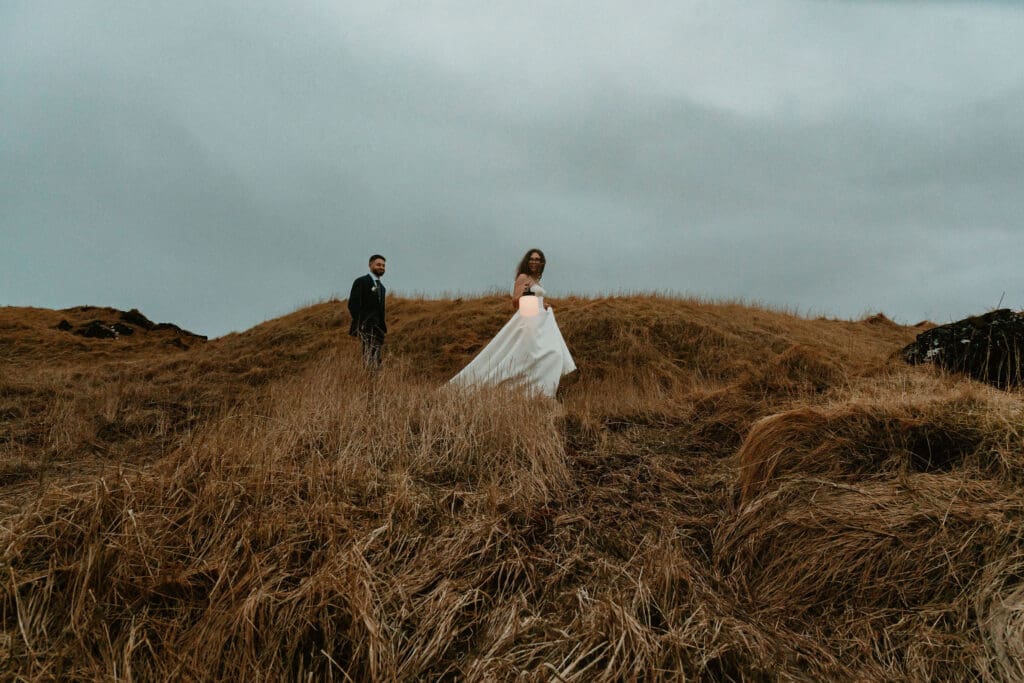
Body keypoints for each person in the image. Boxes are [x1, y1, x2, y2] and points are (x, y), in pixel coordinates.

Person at [449, 248, 576, 397]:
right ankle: (534, 392)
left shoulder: (537, 280)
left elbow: (536, 299)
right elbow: (515, 302)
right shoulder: (523, 277)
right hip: (529, 319)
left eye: (537, 259)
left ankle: (540, 391)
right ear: (527, 261)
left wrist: (543, 304)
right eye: (531, 259)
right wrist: (526, 292)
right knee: (534, 355)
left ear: (542, 263)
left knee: (553, 354)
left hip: (540, 321)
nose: (534, 262)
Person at [348, 254, 387, 368]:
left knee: (376, 360)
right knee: (368, 358)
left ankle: (374, 382)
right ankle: (367, 380)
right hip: (365, 327)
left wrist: (382, 328)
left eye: (384, 266)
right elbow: (353, 304)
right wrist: (362, 324)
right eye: (378, 264)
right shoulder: (361, 281)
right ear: (370, 265)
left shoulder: (382, 288)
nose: (381, 267)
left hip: (378, 330)